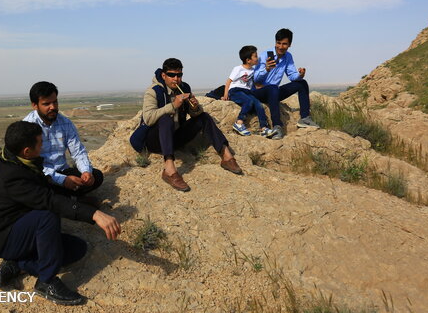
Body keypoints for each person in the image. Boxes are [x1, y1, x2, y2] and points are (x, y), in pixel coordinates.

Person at [0, 121, 121, 305]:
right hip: (3, 234)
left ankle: (18, 264)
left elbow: (44, 186)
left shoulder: (18, 158)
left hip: (21, 224)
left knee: (76, 249)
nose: (43, 146)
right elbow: (49, 200)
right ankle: (46, 281)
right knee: (47, 216)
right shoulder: (12, 176)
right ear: (27, 151)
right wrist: (94, 214)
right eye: (39, 143)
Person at [130, 58, 242, 192]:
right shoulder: (153, 91)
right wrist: (172, 106)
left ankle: (226, 156)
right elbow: (148, 118)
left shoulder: (184, 88)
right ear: (164, 75)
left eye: (179, 75)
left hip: (175, 137)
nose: (176, 79)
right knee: (166, 118)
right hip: (154, 140)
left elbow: (195, 114)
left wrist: (195, 107)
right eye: (171, 75)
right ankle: (169, 170)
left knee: (204, 117)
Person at [24, 81, 103, 197]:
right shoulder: (27, 126)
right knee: (35, 186)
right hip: (42, 175)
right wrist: (62, 180)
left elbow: (78, 152)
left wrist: (86, 172)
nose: (53, 107)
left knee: (97, 176)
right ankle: (67, 198)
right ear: (35, 105)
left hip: (63, 171)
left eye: (55, 102)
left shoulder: (65, 123)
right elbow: (31, 165)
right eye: (47, 104)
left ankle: (62, 198)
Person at [252, 28, 320, 139]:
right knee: (273, 87)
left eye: (284, 44)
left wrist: (300, 75)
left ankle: (305, 118)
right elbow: (255, 79)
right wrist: (266, 69)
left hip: (274, 93)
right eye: (278, 43)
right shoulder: (264, 56)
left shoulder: (288, 57)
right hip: (260, 92)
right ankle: (277, 126)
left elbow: (292, 75)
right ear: (275, 42)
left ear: (290, 45)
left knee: (302, 83)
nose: (281, 46)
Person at [222, 45, 276, 138]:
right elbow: (229, 81)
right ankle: (239, 123)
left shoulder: (253, 70)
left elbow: (256, 84)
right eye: (255, 56)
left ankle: (264, 128)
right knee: (248, 101)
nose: (257, 58)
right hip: (235, 90)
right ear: (248, 60)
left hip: (247, 91)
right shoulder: (238, 69)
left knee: (258, 104)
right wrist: (226, 94)